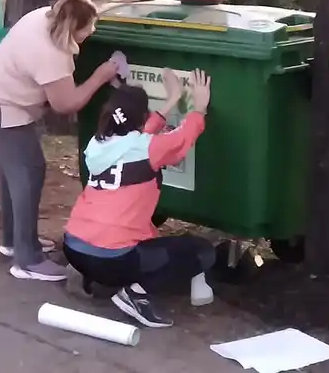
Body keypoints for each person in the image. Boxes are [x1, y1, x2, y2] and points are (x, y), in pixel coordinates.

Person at [0, 0, 121, 282]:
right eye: (88, 27)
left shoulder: (43, 16)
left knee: (14, 172)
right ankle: (27, 259)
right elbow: (66, 105)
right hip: (2, 107)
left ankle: (15, 241)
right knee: (28, 172)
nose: (92, 32)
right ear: (70, 26)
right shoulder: (52, 54)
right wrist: (100, 77)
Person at [63, 70, 215, 328]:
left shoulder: (98, 144)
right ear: (140, 117)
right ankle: (135, 294)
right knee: (202, 252)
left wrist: (170, 101)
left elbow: (138, 139)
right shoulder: (149, 149)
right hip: (113, 259)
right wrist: (199, 107)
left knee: (128, 245)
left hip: (73, 248)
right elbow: (182, 139)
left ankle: (88, 276)